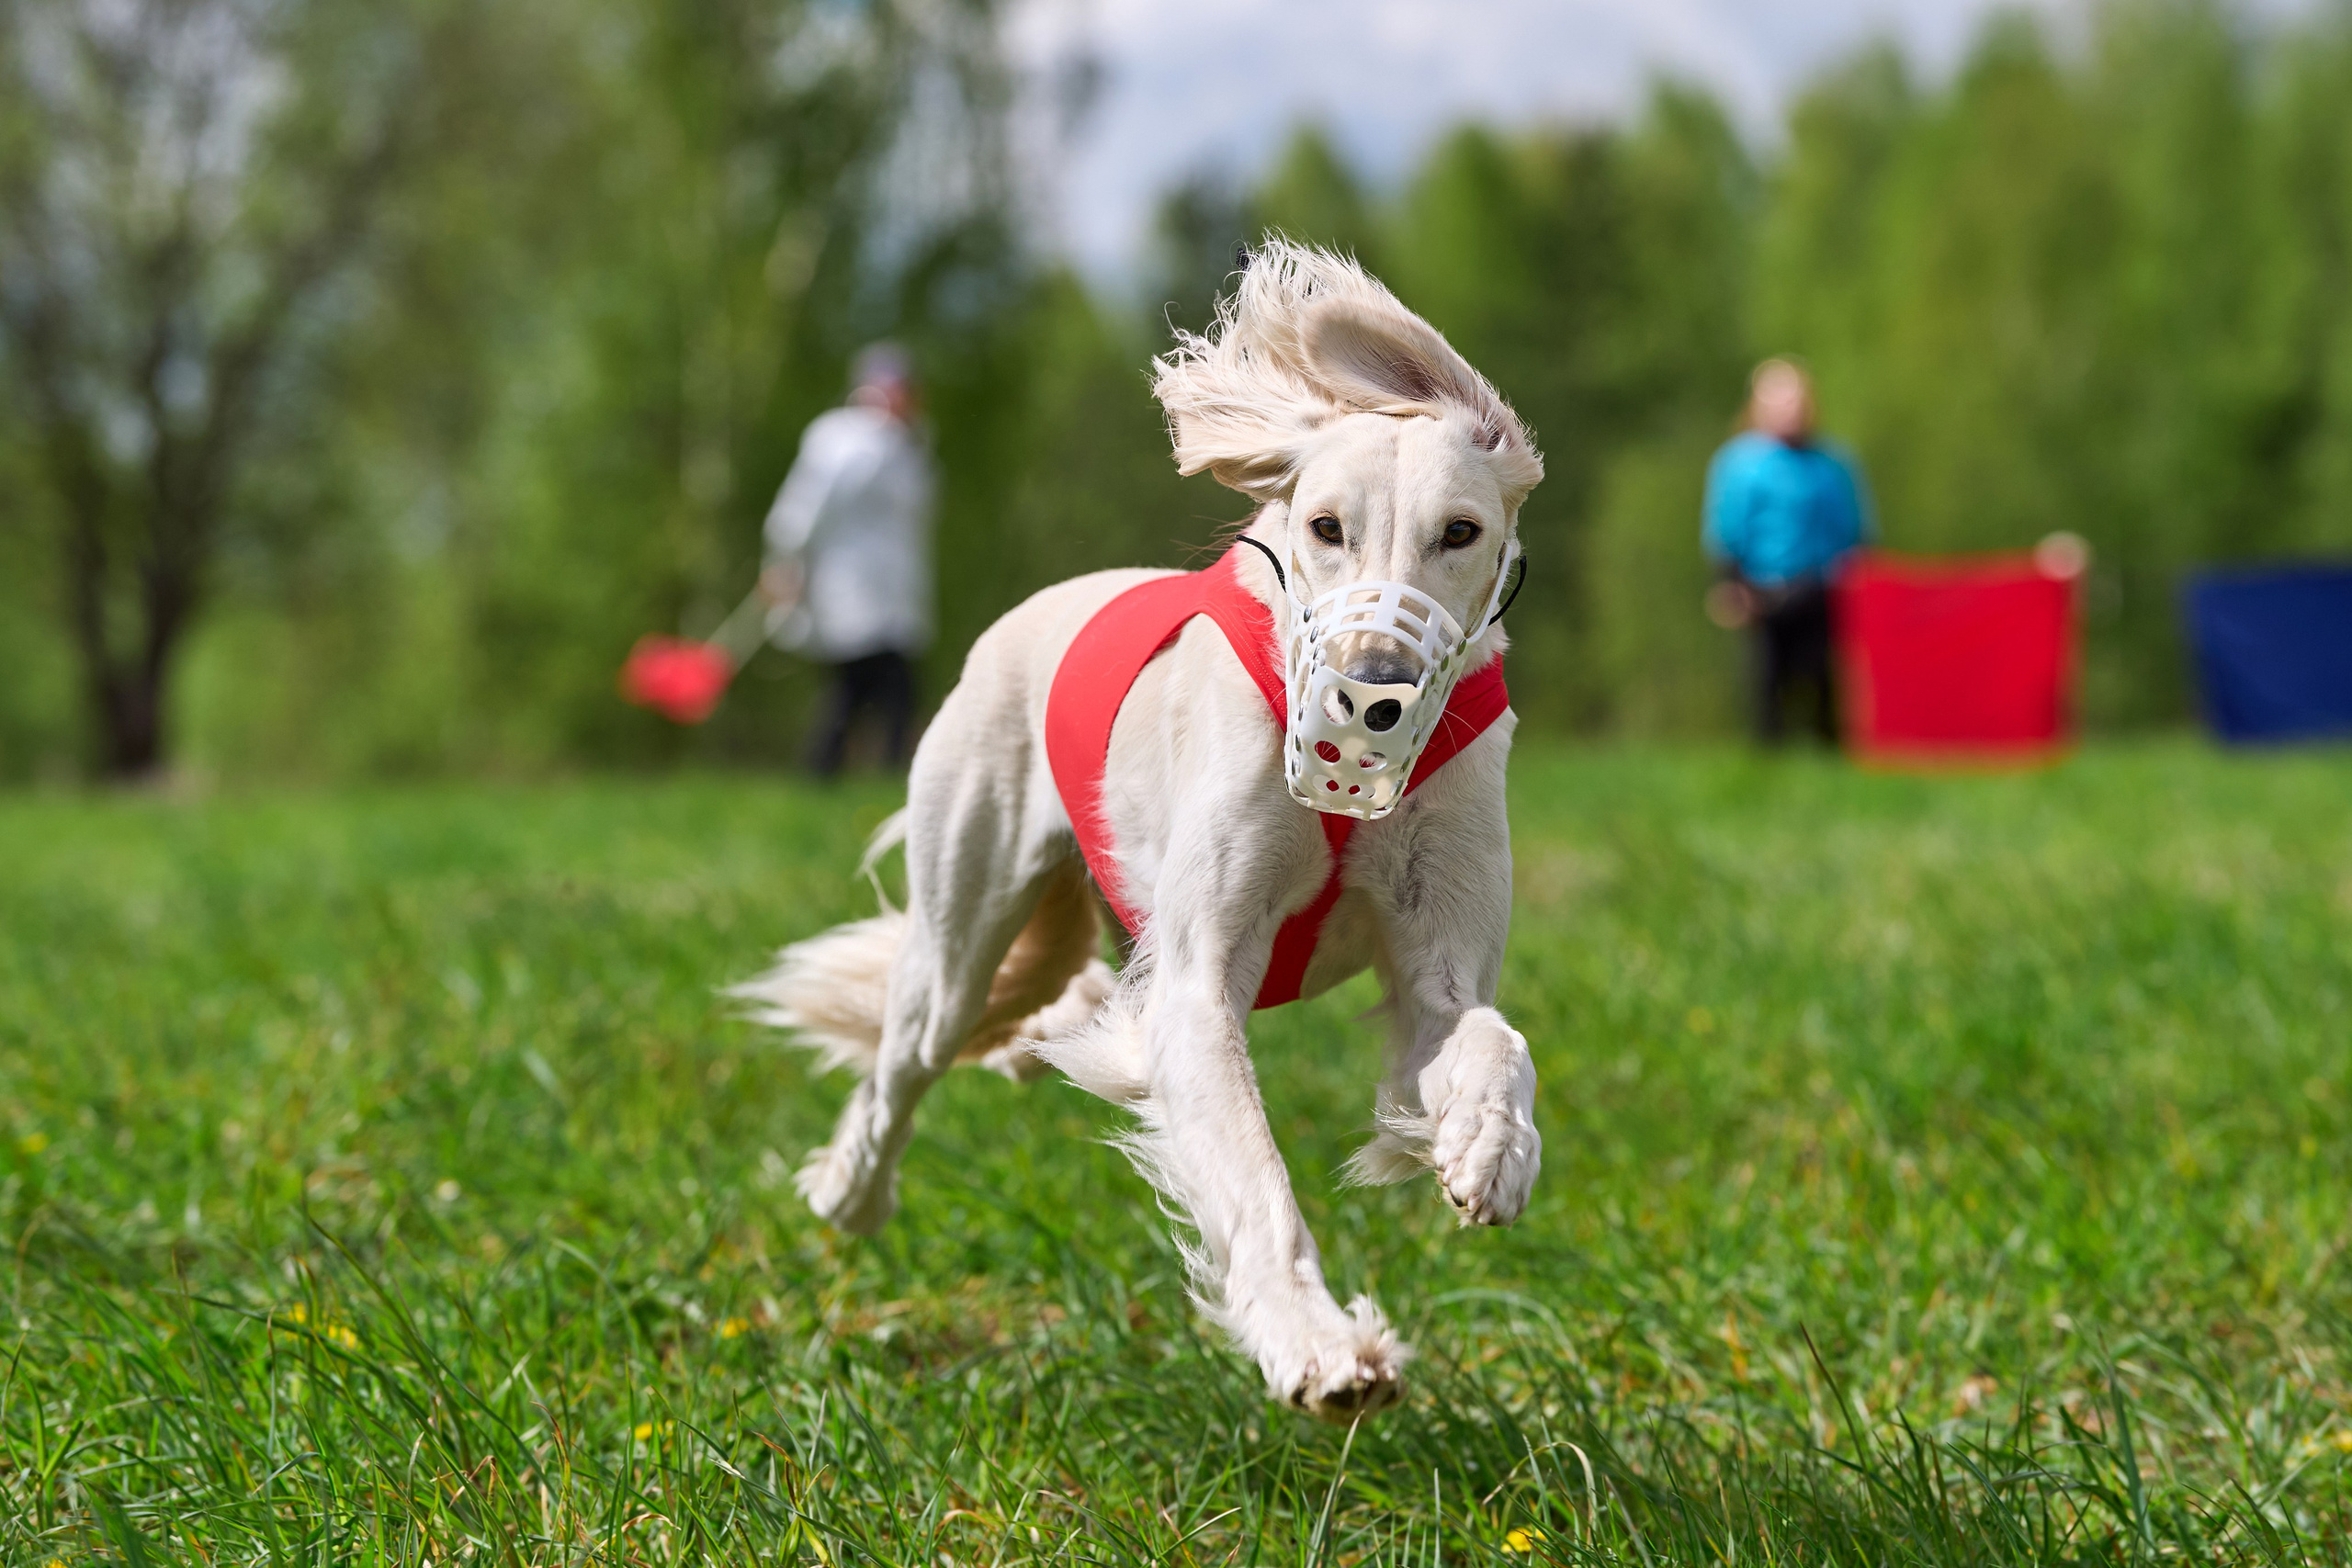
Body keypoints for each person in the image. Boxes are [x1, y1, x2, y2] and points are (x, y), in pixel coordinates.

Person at [761, 344, 934, 775]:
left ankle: (868, 770)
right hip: (850, 583)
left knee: (884, 683)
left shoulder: (907, 447)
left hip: (894, 588)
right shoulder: (842, 440)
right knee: (860, 683)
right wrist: (785, 559)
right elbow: (806, 505)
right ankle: (835, 769)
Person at [1702, 358, 1872, 746]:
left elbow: (1853, 527)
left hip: (1824, 588)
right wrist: (1731, 583)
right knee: (1768, 681)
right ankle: (1769, 758)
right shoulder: (1740, 463)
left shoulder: (1831, 463)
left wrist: (1858, 576)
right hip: (1764, 589)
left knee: (1824, 679)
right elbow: (1726, 527)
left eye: (1795, 401)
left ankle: (1829, 754)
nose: (1789, 411)